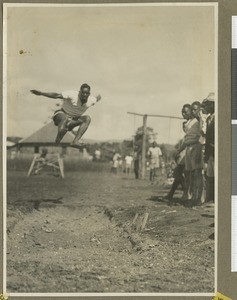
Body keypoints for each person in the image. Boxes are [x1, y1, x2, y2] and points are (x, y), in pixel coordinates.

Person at [31, 84, 101, 149]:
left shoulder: (91, 100)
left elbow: (98, 98)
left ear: (89, 94)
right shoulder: (72, 94)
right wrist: (41, 93)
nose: (85, 95)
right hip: (61, 115)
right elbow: (56, 95)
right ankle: (59, 138)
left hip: (73, 121)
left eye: (87, 93)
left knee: (87, 118)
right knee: (65, 118)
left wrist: (99, 95)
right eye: (83, 93)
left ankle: (75, 141)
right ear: (79, 92)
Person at [177, 104, 203, 206]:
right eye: (182, 112)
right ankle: (189, 196)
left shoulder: (197, 121)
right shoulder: (188, 123)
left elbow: (201, 134)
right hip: (188, 147)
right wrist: (180, 149)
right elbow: (187, 139)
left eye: (186, 112)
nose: (184, 114)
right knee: (188, 173)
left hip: (196, 146)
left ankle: (198, 197)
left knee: (197, 173)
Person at [202, 93, 215, 203]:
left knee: (216, 174)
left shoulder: (219, 117)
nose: (207, 107)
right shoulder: (209, 119)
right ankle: (209, 199)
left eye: (209, 104)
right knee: (209, 174)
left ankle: (215, 200)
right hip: (210, 151)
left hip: (216, 150)